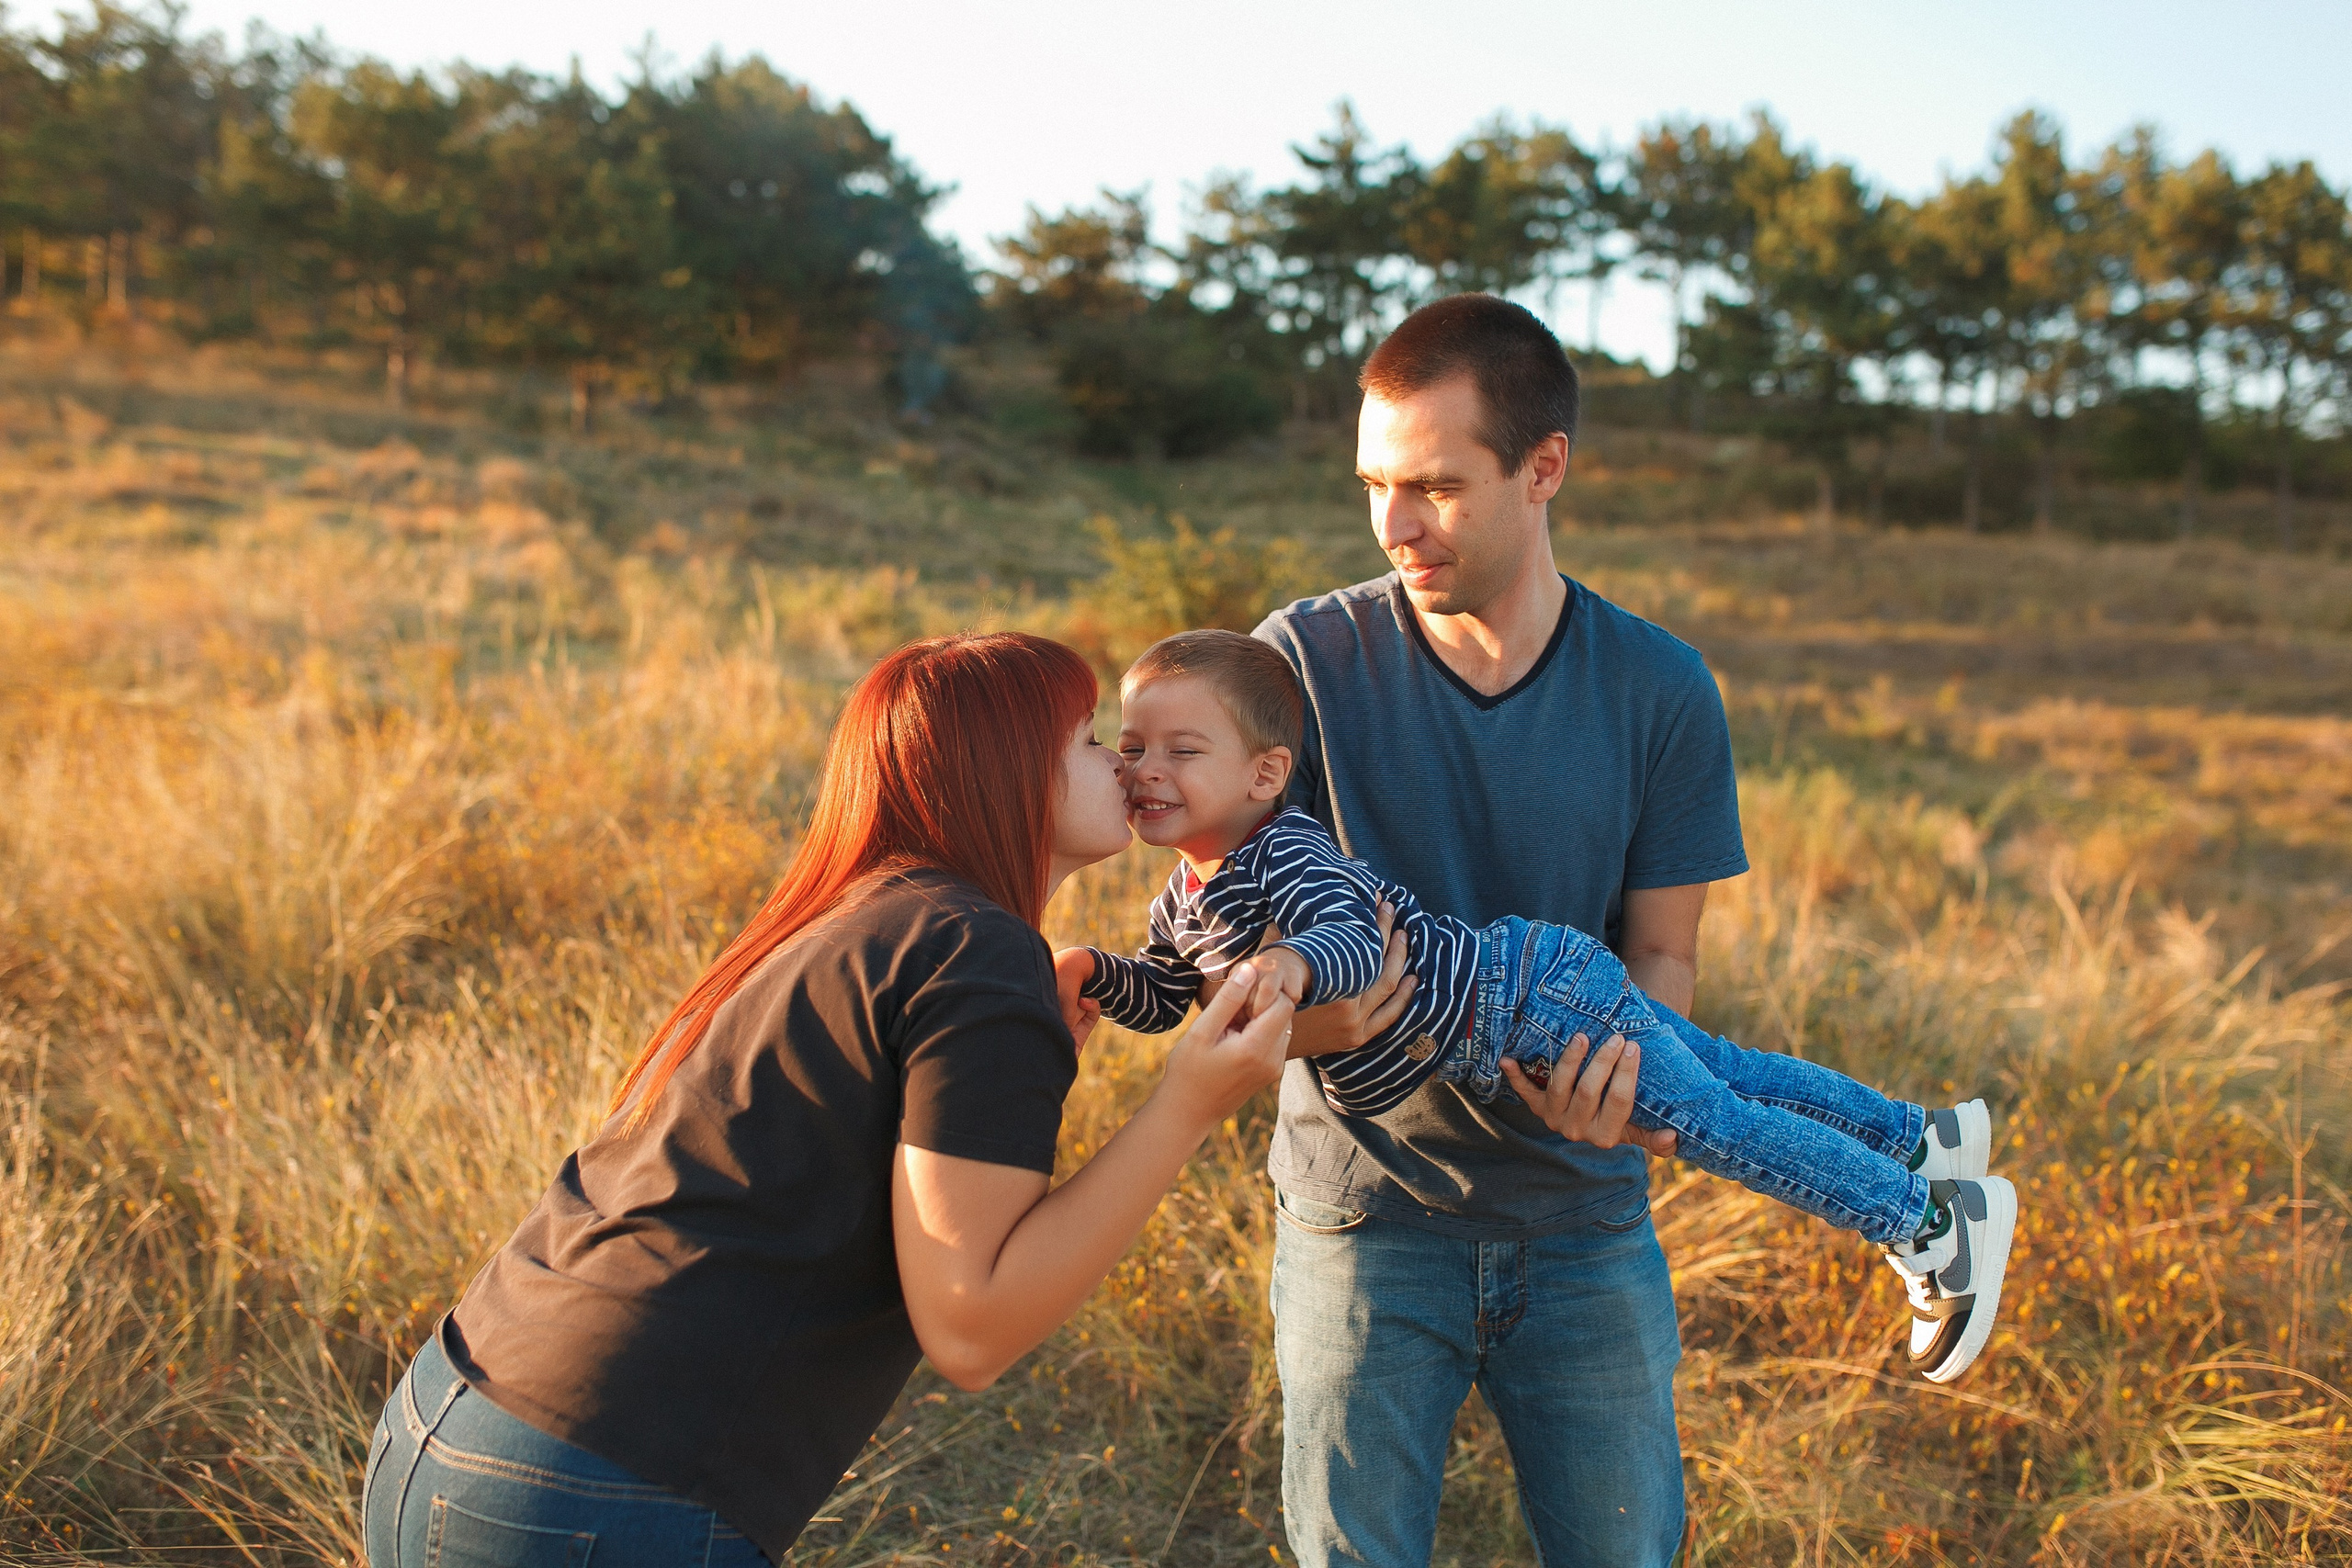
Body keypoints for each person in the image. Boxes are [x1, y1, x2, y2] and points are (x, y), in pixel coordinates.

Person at [360, 633, 1296, 1567]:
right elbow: (973, 1330)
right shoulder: (979, 954)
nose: (1122, 765)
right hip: (602, 1488)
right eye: (1091, 739)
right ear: (1008, 771)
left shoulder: (867, 911)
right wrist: (1187, 1106)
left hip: (450, 1414)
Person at [1053, 629, 2017, 1393]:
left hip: (1529, 1005)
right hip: (1538, 981)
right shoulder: (1183, 897)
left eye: (1182, 750)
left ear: (1264, 776)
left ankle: (1924, 1221)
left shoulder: (1285, 853)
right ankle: (1917, 1138)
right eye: (1130, 746)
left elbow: (1347, 941)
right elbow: (1167, 992)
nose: (1142, 769)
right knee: (1727, 1072)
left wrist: (1293, 966)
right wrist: (1094, 972)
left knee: (1713, 1122)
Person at [1250, 291, 1747, 1566]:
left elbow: (1665, 957)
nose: (1395, 524)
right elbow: (1248, 957)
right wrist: (1319, 1017)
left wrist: (1630, 1080)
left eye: (1434, 484)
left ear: (1546, 469)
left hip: (1585, 1221)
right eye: (1374, 482)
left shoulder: (1662, 688)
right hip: (1360, 1219)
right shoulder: (1297, 664)